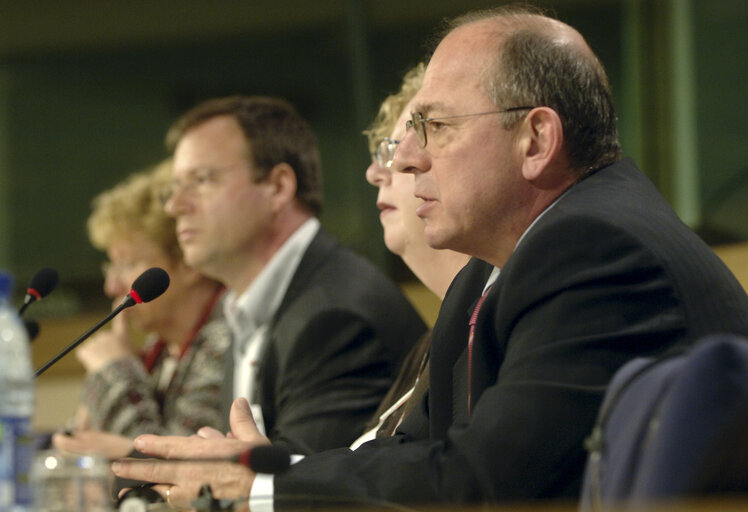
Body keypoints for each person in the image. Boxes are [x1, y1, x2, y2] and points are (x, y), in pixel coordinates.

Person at [112, 5, 748, 508]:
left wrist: (262, 489)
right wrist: (261, 474)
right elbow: (410, 450)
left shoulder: (596, 252)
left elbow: (482, 486)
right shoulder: (490, 271)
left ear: (536, 140)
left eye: (436, 129)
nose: (408, 160)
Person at [157, 95, 426, 455]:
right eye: (174, 188)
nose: (176, 206)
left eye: (201, 180)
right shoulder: (244, 309)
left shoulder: (335, 316)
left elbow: (304, 495)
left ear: (278, 187)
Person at [54, 160, 231, 459]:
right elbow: (86, 449)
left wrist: (115, 373)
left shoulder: (226, 341)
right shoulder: (158, 351)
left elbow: (175, 470)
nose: (111, 287)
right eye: (111, 266)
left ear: (188, 263)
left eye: (128, 265)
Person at [352, 62, 470, 447]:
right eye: (386, 149)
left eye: (400, 145)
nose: (376, 172)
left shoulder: (480, 334)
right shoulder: (432, 341)